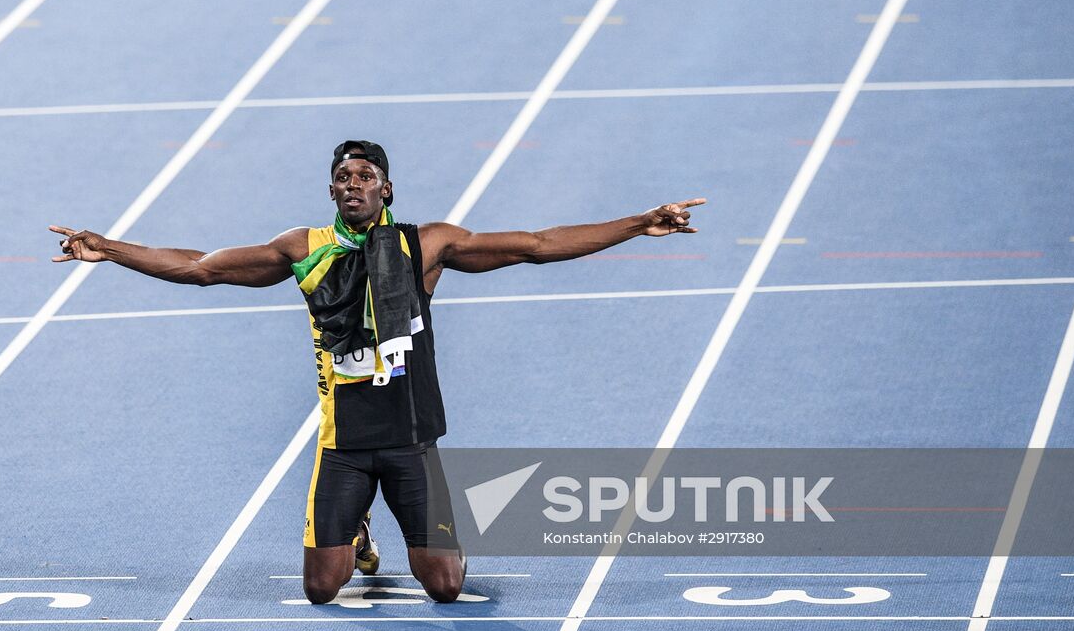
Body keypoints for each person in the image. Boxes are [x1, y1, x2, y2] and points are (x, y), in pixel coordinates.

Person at [50, 140, 703, 605]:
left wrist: (637, 222)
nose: (351, 184)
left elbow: (536, 245)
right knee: (321, 588)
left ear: (385, 188)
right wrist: (109, 248)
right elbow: (202, 265)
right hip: (344, 445)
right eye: (342, 177)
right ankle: (360, 526)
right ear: (333, 189)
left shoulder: (427, 245)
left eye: (364, 175)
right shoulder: (303, 248)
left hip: (413, 440)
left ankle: (433, 528)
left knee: (446, 586)